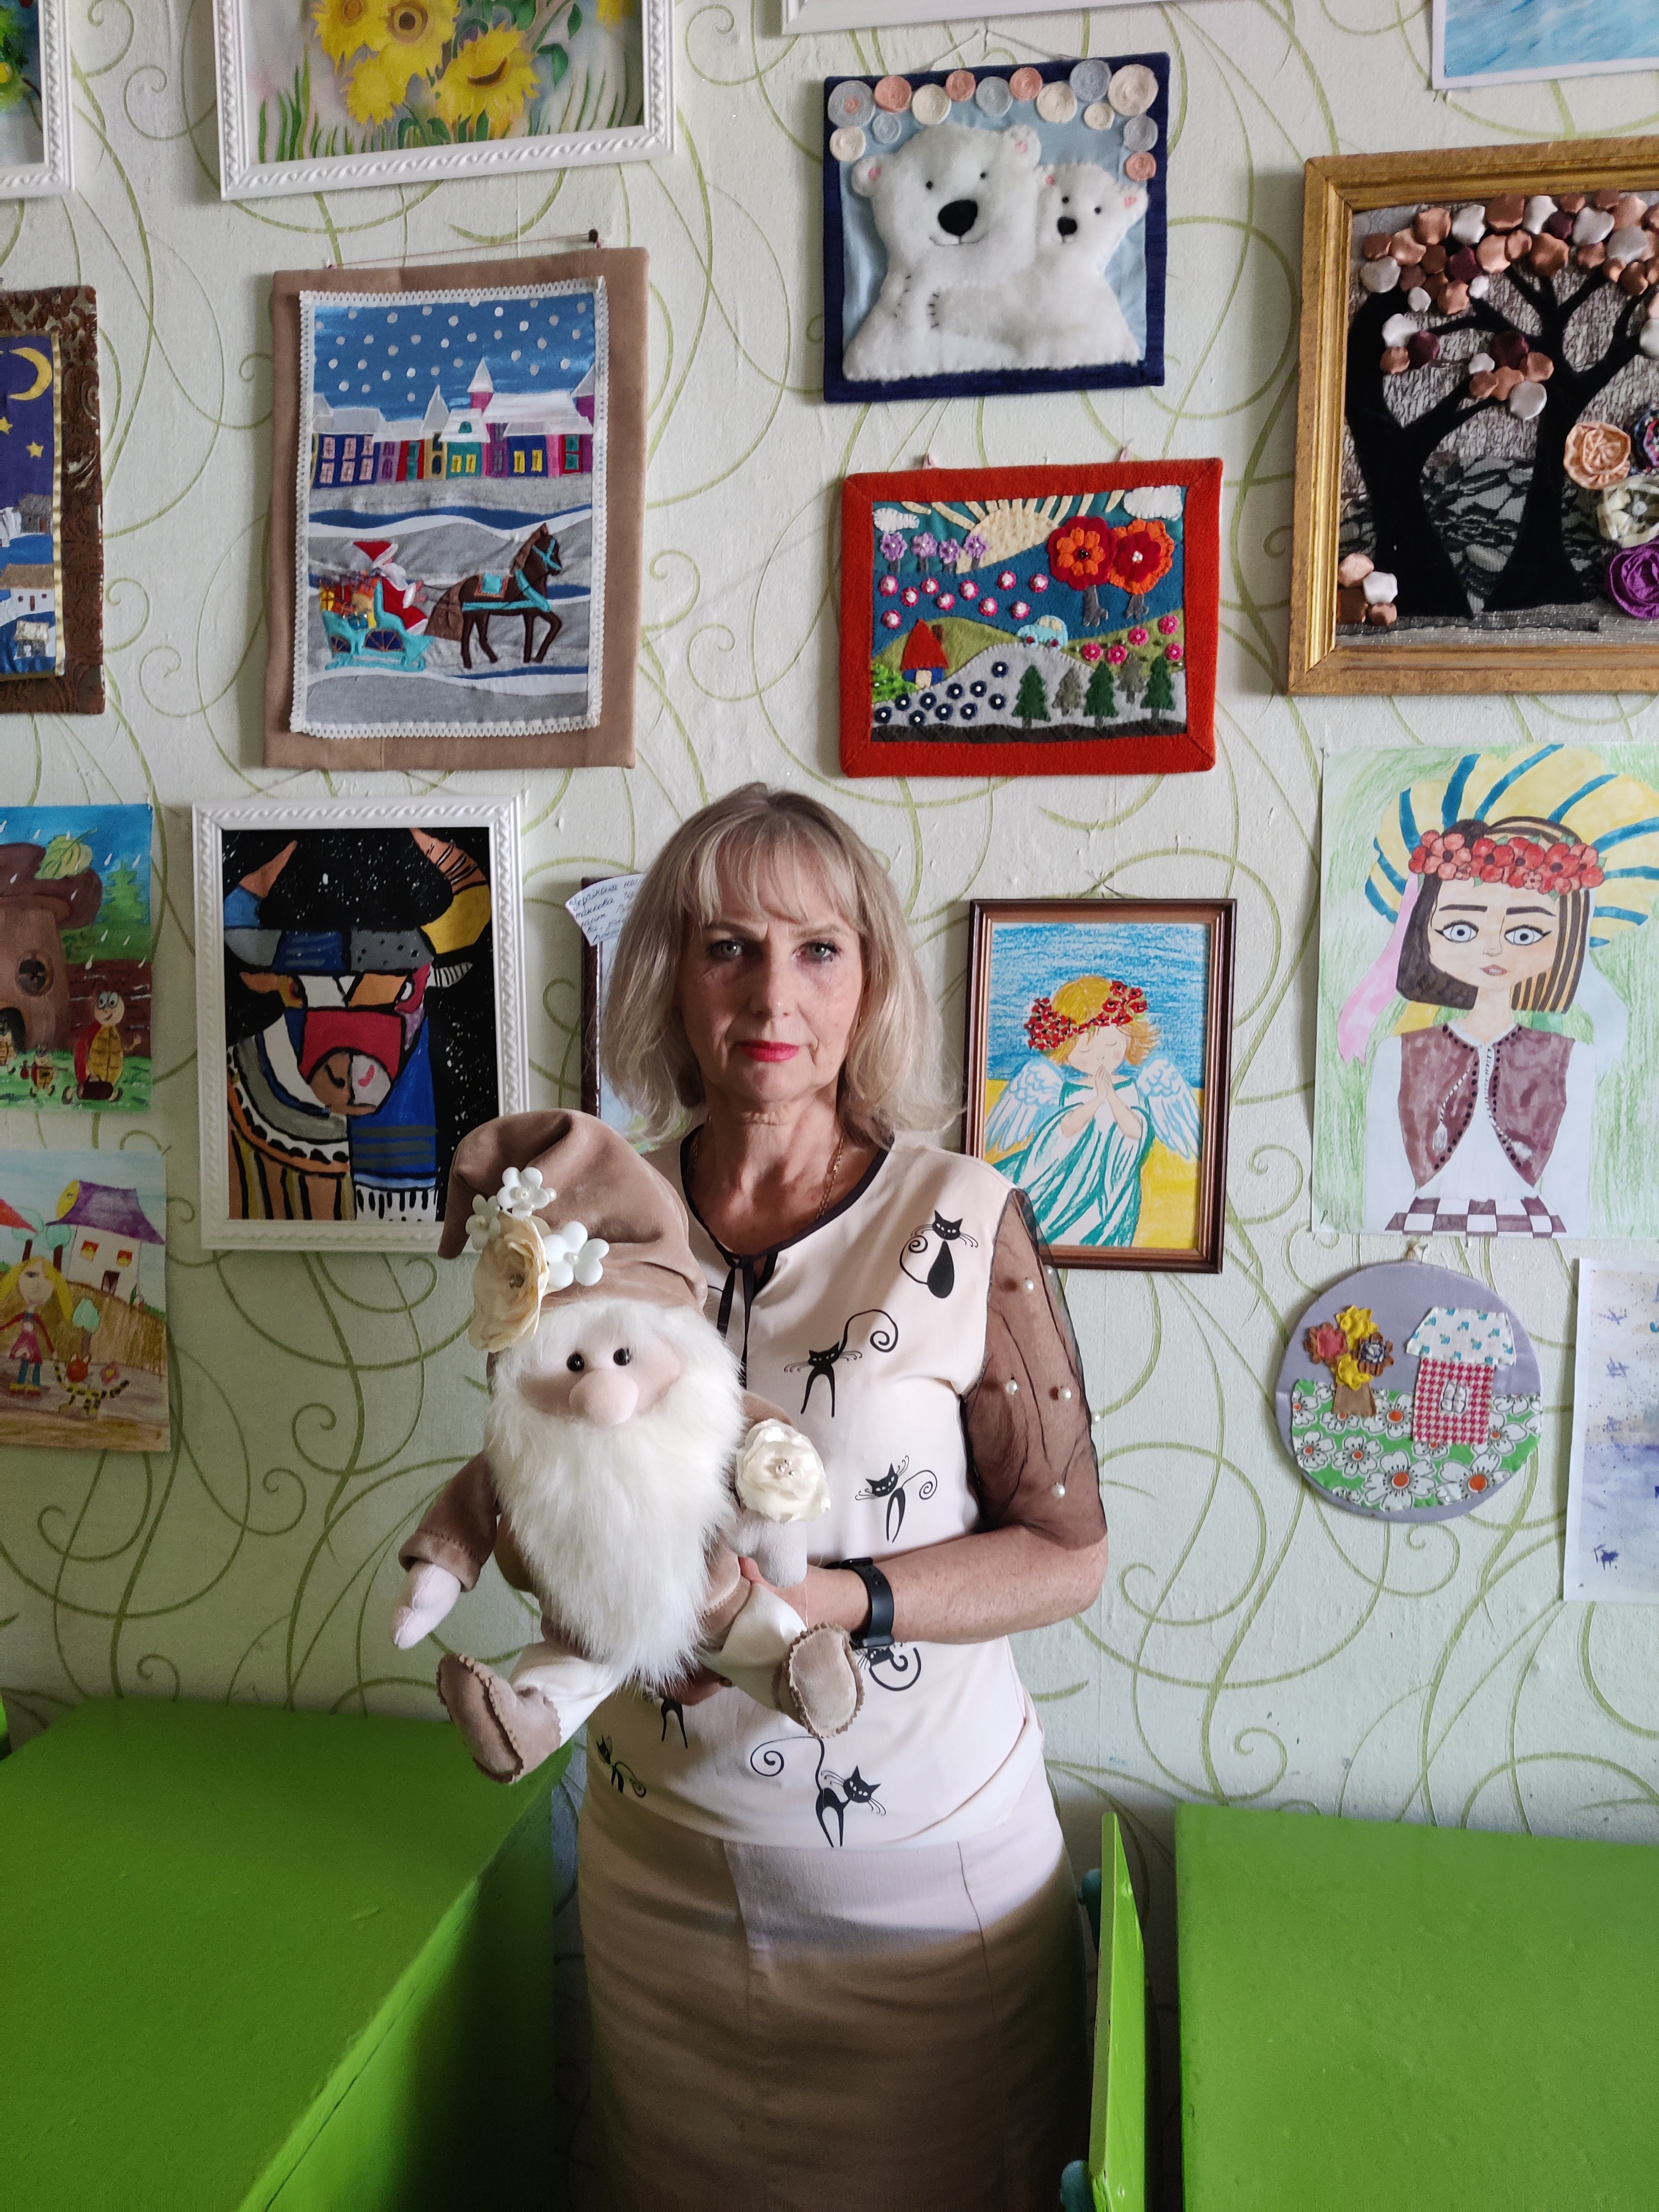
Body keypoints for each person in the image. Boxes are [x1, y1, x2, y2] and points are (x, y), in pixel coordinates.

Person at [578, 783, 1108, 2209]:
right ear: (668, 976)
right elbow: (553, 1489)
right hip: (653, 1876)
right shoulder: (595, 1221)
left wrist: (838, 1600)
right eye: (727, 947)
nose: (773, 993)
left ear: (870, 981)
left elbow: (1065, 1553)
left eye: (818, 948)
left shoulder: (963, 1217)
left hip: (919, 1901)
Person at [986, 975, 1199, 1248]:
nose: (1100, 1056)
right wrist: (1097, 1100)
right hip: (1065, 1184)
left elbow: (1137, 1133)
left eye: (1112, 1045)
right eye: (1085, 1049)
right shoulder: (1070, 1090)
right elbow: (1063, 1132)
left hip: (1113, 1191)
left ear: (1129, 1039)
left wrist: (1111, 1096)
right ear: (1065, 1047)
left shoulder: (1131, 1089)